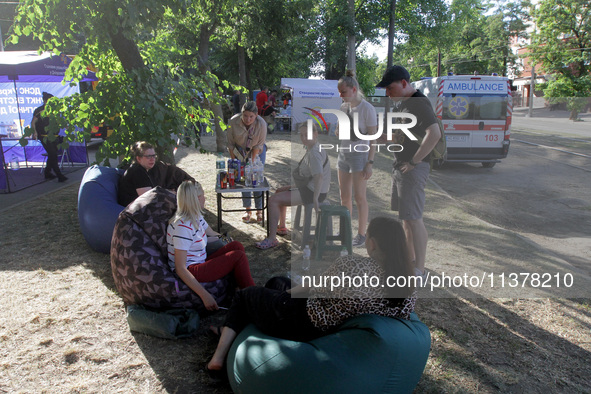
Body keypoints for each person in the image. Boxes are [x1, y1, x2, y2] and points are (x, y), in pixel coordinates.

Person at [205, 216, 417, 375]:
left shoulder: (354, 264)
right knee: (276, 282)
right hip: (334, 328)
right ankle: (230, 327)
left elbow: (312, 286)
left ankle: (218, 358)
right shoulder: (408, 285)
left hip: (306, 321)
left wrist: (286, 296)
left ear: (371, 243)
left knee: (246, 296)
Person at [376, 65, 441, 280]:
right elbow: (397, 137)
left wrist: (414, 161)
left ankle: (419, 269)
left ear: (404, 83)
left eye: (390, 87)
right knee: (406, 219)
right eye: (385, 89)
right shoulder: (404, 105)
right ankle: (409, 261)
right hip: (401, 167)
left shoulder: (419, 103)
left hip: (412, 168)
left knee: (414, 219)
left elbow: (435, 133)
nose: (388, 92)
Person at [167, 180, 256, 311]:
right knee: (238, 257)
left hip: (200, 260)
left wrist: (225, 239)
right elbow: (180, 268)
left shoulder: (195, 216)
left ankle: (239, 291)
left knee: (236, 246)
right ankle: (256, 299)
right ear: (197, 199)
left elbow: (211, 234)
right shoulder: (182, 227)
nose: (205, 198)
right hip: (191, 269)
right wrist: (205, 295)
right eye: (203, 195)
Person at [254, 122, 330, 250]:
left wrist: (316, 199)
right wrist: (290, 186)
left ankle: (272, 239)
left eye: (307, 135)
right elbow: (308, 177)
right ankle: (282, 227)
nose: (304, 138)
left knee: (273, 200)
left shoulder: (315, 153)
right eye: (301, 135)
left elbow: (319, 177)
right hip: (311, 189)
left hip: (313, 192)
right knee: (279, 191)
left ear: (316, 134)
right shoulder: (314, 148)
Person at [336, 70, 378, 247]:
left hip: (360, 156)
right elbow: (339, 131)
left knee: (359, 197)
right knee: (344, 197)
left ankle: (361, 235)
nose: (341, 95)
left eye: (343, 92)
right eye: (339, 92)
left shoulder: (367, 108)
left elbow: (373, 137)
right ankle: (346, 231)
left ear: (353, 89)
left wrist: (370, 162)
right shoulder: (343, 107)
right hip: (343, 154)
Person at [118, 141, 195, 206]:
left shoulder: (145, 170)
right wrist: (170, 194)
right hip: (132, 212)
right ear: (138, 158)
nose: (152, 159)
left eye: (154, 156)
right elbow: (149, 198)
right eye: (148, 156)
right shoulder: (137, 171)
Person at [226, 101, 268, 223]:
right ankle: (248, 210)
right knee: (243, 179)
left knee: (256, 177)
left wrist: (251, 164)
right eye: (245, 116)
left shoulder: (262, 124)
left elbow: (259, 145)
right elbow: (230, 144)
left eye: (251, 116)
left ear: (256, 115)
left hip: (257, 150)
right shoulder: (233, 122)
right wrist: (235, 163)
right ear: (241, 114)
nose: (248, 119)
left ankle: (259, 210)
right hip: (239, 150)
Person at [32, 92, 68, 182]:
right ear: (44, 101)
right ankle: (59, 175)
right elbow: (33, 122)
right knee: (53, 154)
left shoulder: (54, 110)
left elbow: (58, 121)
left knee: (52, 155)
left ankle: (47, 172)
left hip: (54, 136)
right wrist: (35, 132)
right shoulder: (40, 110)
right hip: (44, 136)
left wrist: (66, 126)